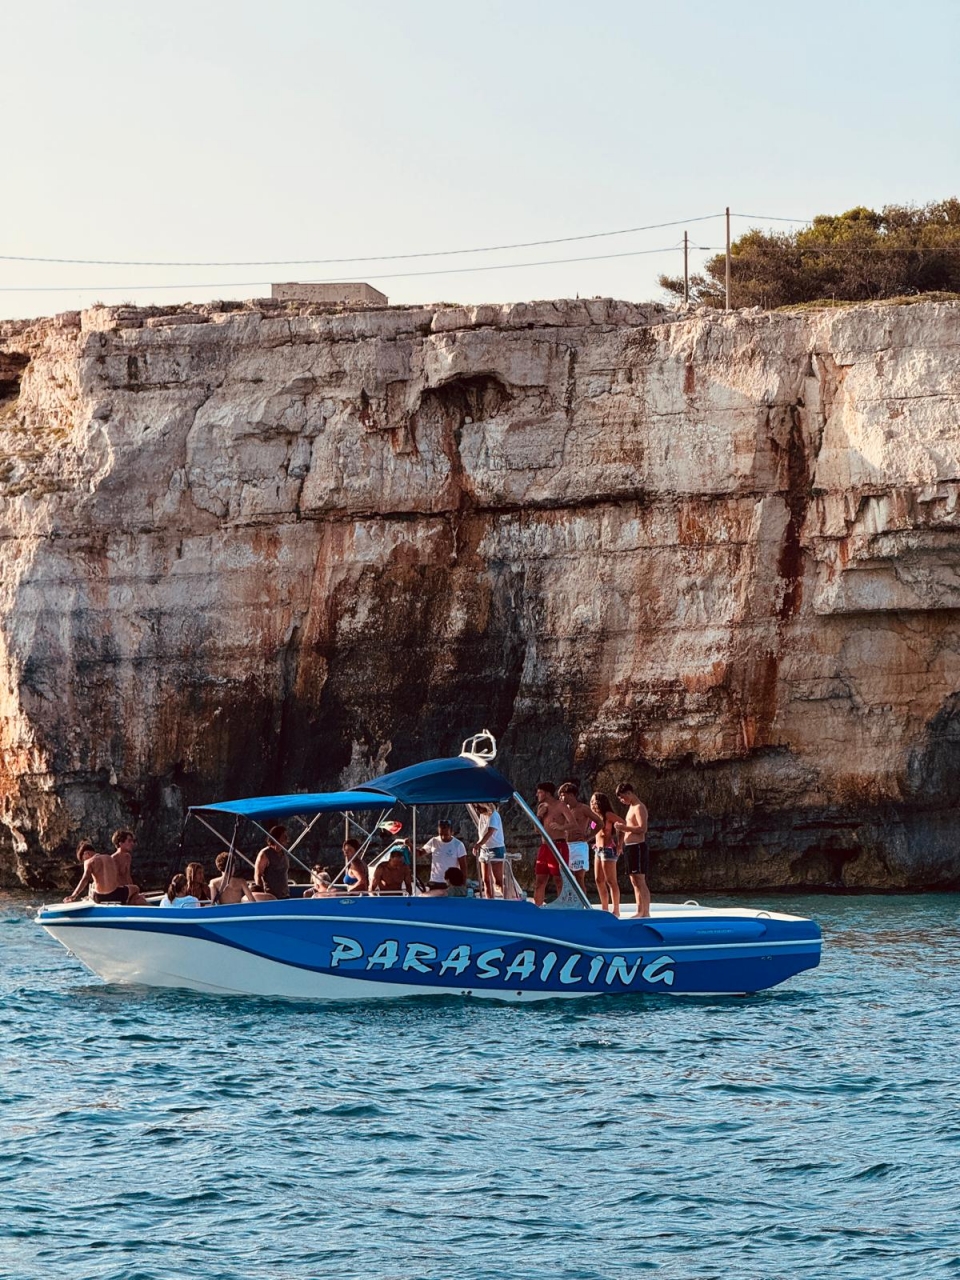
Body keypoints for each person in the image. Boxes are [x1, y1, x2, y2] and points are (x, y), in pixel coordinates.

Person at [615, 782, 651, 918]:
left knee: (640, 879)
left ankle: (646, 912)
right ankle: (639, 910)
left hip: (638, 846)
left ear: (629, 793)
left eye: (622, 797)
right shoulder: (631, 808)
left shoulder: (639, 807)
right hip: (630, 847)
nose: (622, 800)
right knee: (634, 880)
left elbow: (642, 828)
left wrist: (624, 828)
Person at [533, 782, 571, 906]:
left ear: (547, 793)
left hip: (560, 845)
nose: (537, 795)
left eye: (539, 792)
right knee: (540, 881)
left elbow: (574, 824)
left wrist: (561, 827)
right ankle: (537, 909)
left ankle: (563, 906)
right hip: (545, 846)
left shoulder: (561, 805)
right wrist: (539, 816)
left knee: (560, 879)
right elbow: (537, 829)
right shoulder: (542, 807)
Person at [590, 792, 625, 916]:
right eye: (591, 801)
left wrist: (620, 844)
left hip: (608, 849)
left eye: (594, 801)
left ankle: (616, 910)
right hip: (597, 849)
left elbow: (623, 824)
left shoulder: (608, 815)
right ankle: (604, 908)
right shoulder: (594, 817)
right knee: (598, 880)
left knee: (611, 881)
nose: (592, 804)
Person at [64, 840, 129, 904]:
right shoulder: (110, 858)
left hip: (99, 897)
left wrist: (73, 895)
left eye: (84, 859)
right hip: (116, 895)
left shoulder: (89, 862)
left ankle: (89, 897)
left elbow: (84, 879)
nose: (84, 861)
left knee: (92, 886)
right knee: (135, 888)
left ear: (86, 853)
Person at [557, 782, 595, 891]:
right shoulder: (563, 810)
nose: (560, 797)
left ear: (571, 795)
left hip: (579, 845)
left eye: (563, 795)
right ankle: (569, 903)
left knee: (579, 877)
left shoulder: (583, 808)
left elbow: (598, 822)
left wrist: (589, 835)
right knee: (566, 877)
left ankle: (583, 905)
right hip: (566, 845)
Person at [472, 803, 507, 898]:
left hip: (496, 848)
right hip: (484, 849)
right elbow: (482, 832)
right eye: (475, 807)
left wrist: (479, 844)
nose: (477, 809)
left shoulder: (494, 815)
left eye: (479, 807)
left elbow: (490, 832)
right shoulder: (482, 815)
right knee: (486, 880)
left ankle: (508, 899)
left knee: (498, 881)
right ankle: (489, 901)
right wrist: (479, 844)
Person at [420, 819, 467, 886]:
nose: (443, 837)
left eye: (446, 834)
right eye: (441, 834)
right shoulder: (434, 841)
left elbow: (463, 867)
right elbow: (420, 853)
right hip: (435, 881)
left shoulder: (458, 845)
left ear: (452, 832)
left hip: (451, 883)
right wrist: (410, 846)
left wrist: (463, 884)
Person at [110, 829, 148, 905]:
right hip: (118, 892)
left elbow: (127, 876)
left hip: (127, 891)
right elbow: (114, 879)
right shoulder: (113, 859)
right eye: (129, 841)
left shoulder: (128, 857)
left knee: (139, 896)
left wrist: (134, 893)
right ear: (120, 843)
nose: (132, 844)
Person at [253, 825, 290, 900]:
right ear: (277, 837)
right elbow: (258, 875)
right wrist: (261, 894)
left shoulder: (284, 853)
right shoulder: (265, 854)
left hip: (285, 895)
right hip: (270, 896)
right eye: (284, 836)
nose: (287, 838)